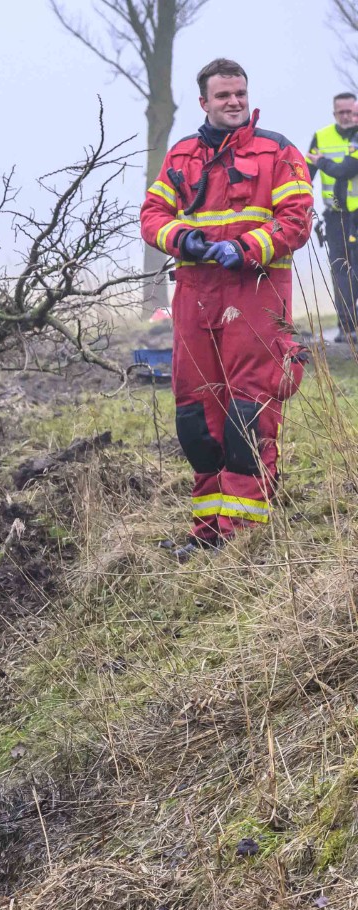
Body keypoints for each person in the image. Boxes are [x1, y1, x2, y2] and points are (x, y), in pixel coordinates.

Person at [141, 57, 313, 552]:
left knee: (247, 412)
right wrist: (187, 241)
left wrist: (244, 248)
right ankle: (207, 531)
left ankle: (243, 536)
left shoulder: (278, 151)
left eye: (239, 92)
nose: (234, 101)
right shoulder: (182, 154)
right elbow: (152, 214)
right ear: (204, 102)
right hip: (195, 293)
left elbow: (296, 221)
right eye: (223, 95)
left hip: (255, 293)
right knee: (196, 419)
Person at [309, 93, 358, 342]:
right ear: (334, 113)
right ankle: (347, 328)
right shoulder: (321, 136)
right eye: (342, 112)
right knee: (340, 270)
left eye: (352, 112)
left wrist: (323, 162)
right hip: (335, 216)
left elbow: (345, 170)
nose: (347, 117)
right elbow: (306, 174)